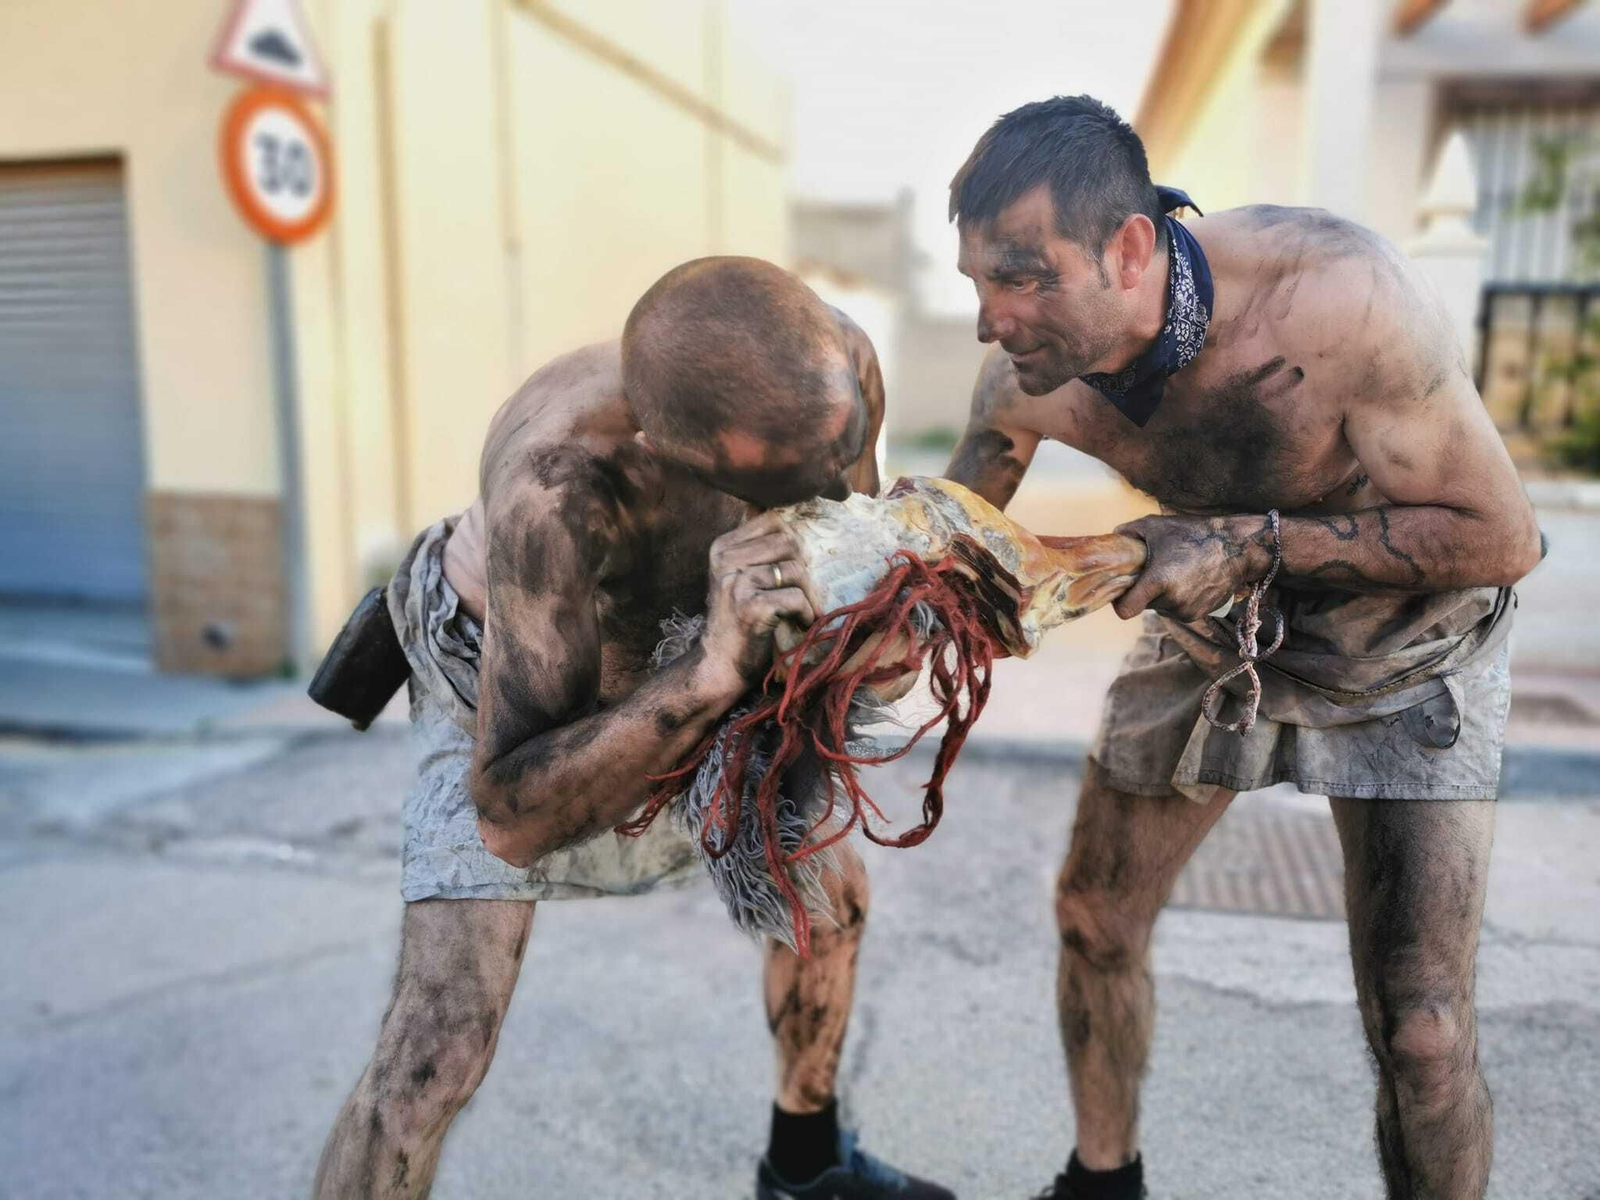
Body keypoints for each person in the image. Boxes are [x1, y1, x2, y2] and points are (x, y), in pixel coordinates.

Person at [942, 96, 1542, 1200]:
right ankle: (1101, 1184)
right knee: (1094, 918)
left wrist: (1243, 542)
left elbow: (1500, 537)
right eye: (977, 280)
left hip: (1409, 635)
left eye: (1022, 276)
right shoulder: (1027, 385)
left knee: (1419, 1024)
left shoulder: (1333, 298)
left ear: (1128, 249)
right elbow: (942, 561)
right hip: (1215, 631)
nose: (991, 320)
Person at [313, 256, 954, 1200]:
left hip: (710, 640)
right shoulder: (561, 482)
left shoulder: (842, 372)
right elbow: (512, 813)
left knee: (830, 906)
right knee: (435, 1049)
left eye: (840, 452)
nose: (826, 489)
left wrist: (882, 624)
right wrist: (711, 673)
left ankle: (806, 1168)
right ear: (668, 448)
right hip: (507, 677)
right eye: (784, 481)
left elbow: (851, 554)